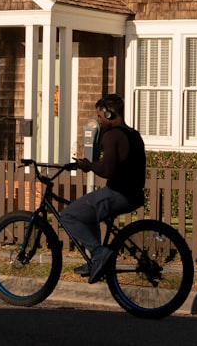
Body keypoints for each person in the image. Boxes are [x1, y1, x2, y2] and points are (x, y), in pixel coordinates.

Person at [62, 94, 146, 283]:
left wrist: (89, 165)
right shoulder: (134, 134)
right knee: (88, 213)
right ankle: (95, 262)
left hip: (118, 193)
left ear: (108, 114)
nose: (99, 121)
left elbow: (108, 170)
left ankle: (99, 254)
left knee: (68, 215)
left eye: (100, 117)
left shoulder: (112, 136)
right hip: (134, 193)